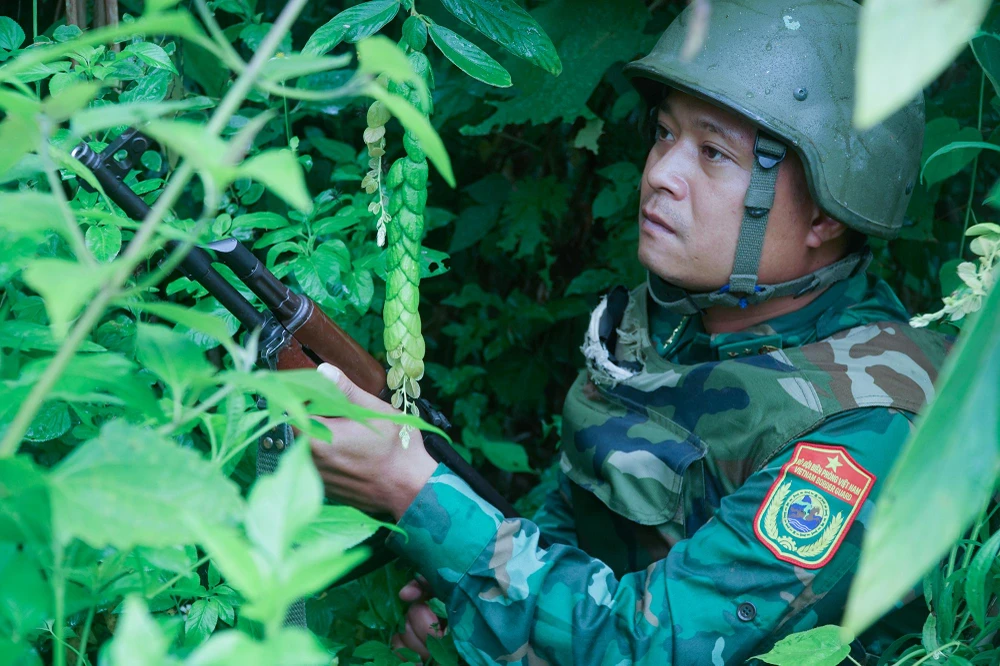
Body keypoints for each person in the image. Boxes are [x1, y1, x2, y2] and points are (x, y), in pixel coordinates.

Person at [309, 0, 951, 663]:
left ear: (824, 212)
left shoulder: (865, 431)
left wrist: (415, 495)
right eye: (664, 135)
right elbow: (574, 524)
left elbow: (649, 649)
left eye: (711, 153)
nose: (659, 176)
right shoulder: (676, 322)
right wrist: (481, 618)